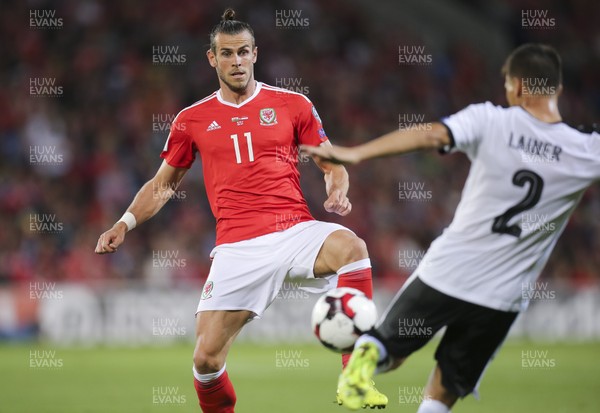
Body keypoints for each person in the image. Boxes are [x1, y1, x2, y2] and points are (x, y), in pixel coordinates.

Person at [94, 8, 388, 413]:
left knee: (353, 247)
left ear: (255, 54)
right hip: (237, 248)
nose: (236, 61)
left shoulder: (293, 104)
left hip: (294, 230)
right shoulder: (191, 120)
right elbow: (163, 185)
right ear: (212, 59)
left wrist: (336, 186)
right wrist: (124, 224)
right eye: (227, 53)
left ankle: (355, 376)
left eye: (243, 52)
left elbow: (330, 161)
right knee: (205, 361)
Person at [302, 43, 600, 412]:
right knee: (444, 390)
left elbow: (430, 134)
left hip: (448, 271)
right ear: (557, 89)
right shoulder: (588, 151)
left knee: (390, 350)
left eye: (507, 85)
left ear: (519, 87)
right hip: (502, 297)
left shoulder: (491, 120)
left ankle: (365, 361)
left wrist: (355, 153)